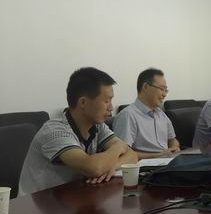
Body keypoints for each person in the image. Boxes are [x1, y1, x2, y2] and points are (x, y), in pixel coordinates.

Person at [18, 67, 138, 196]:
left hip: (73, 197)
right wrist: (118, 147)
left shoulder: (98, 126)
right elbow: (94, 168)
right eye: (106, 101)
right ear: (83, 102)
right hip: (36, 204)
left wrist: (111, 167)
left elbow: (132, 156)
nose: (111, 107)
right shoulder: (55, 131)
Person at [113, 68, 180, 159]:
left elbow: (172, 139)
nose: (164, 94)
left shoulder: (161, 115)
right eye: (161, 89)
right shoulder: (128, 115)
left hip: (167, 161)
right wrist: (159, 155)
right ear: (145, 87)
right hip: (145, 166)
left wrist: (174, 148)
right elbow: (122, 154)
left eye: (166, 90)